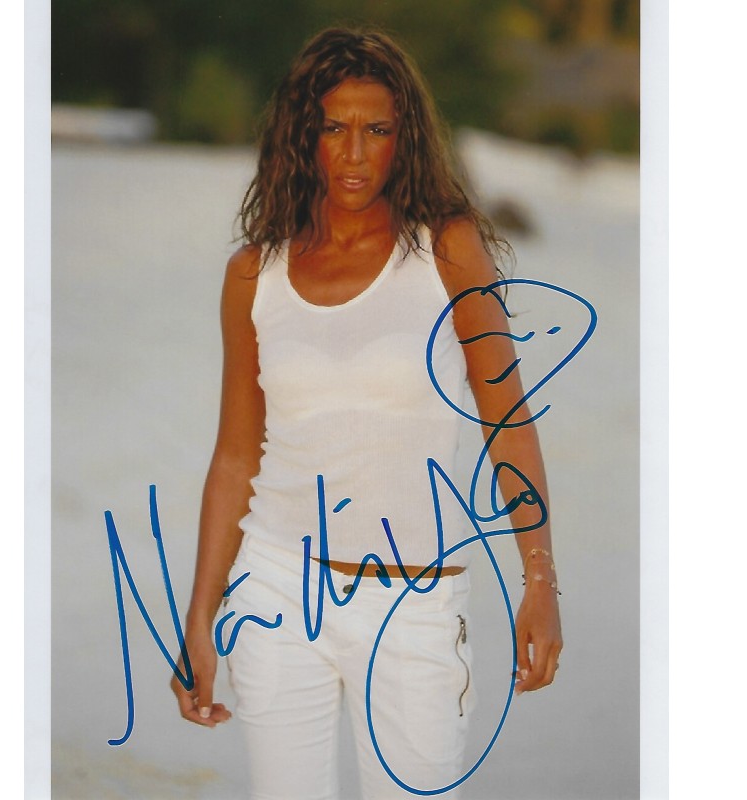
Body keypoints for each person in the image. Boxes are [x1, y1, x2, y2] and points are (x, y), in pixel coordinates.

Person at [171, 26, 562, 800]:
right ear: (303, 135)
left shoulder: (447, 251)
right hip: (278, 592)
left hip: (415, 606)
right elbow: (237, 455)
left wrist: (541, 579)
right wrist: (199, 619)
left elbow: (508, 422)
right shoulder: (254, 275)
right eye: (334, 128)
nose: (354, 154)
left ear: (403, 138)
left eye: (376, 130)